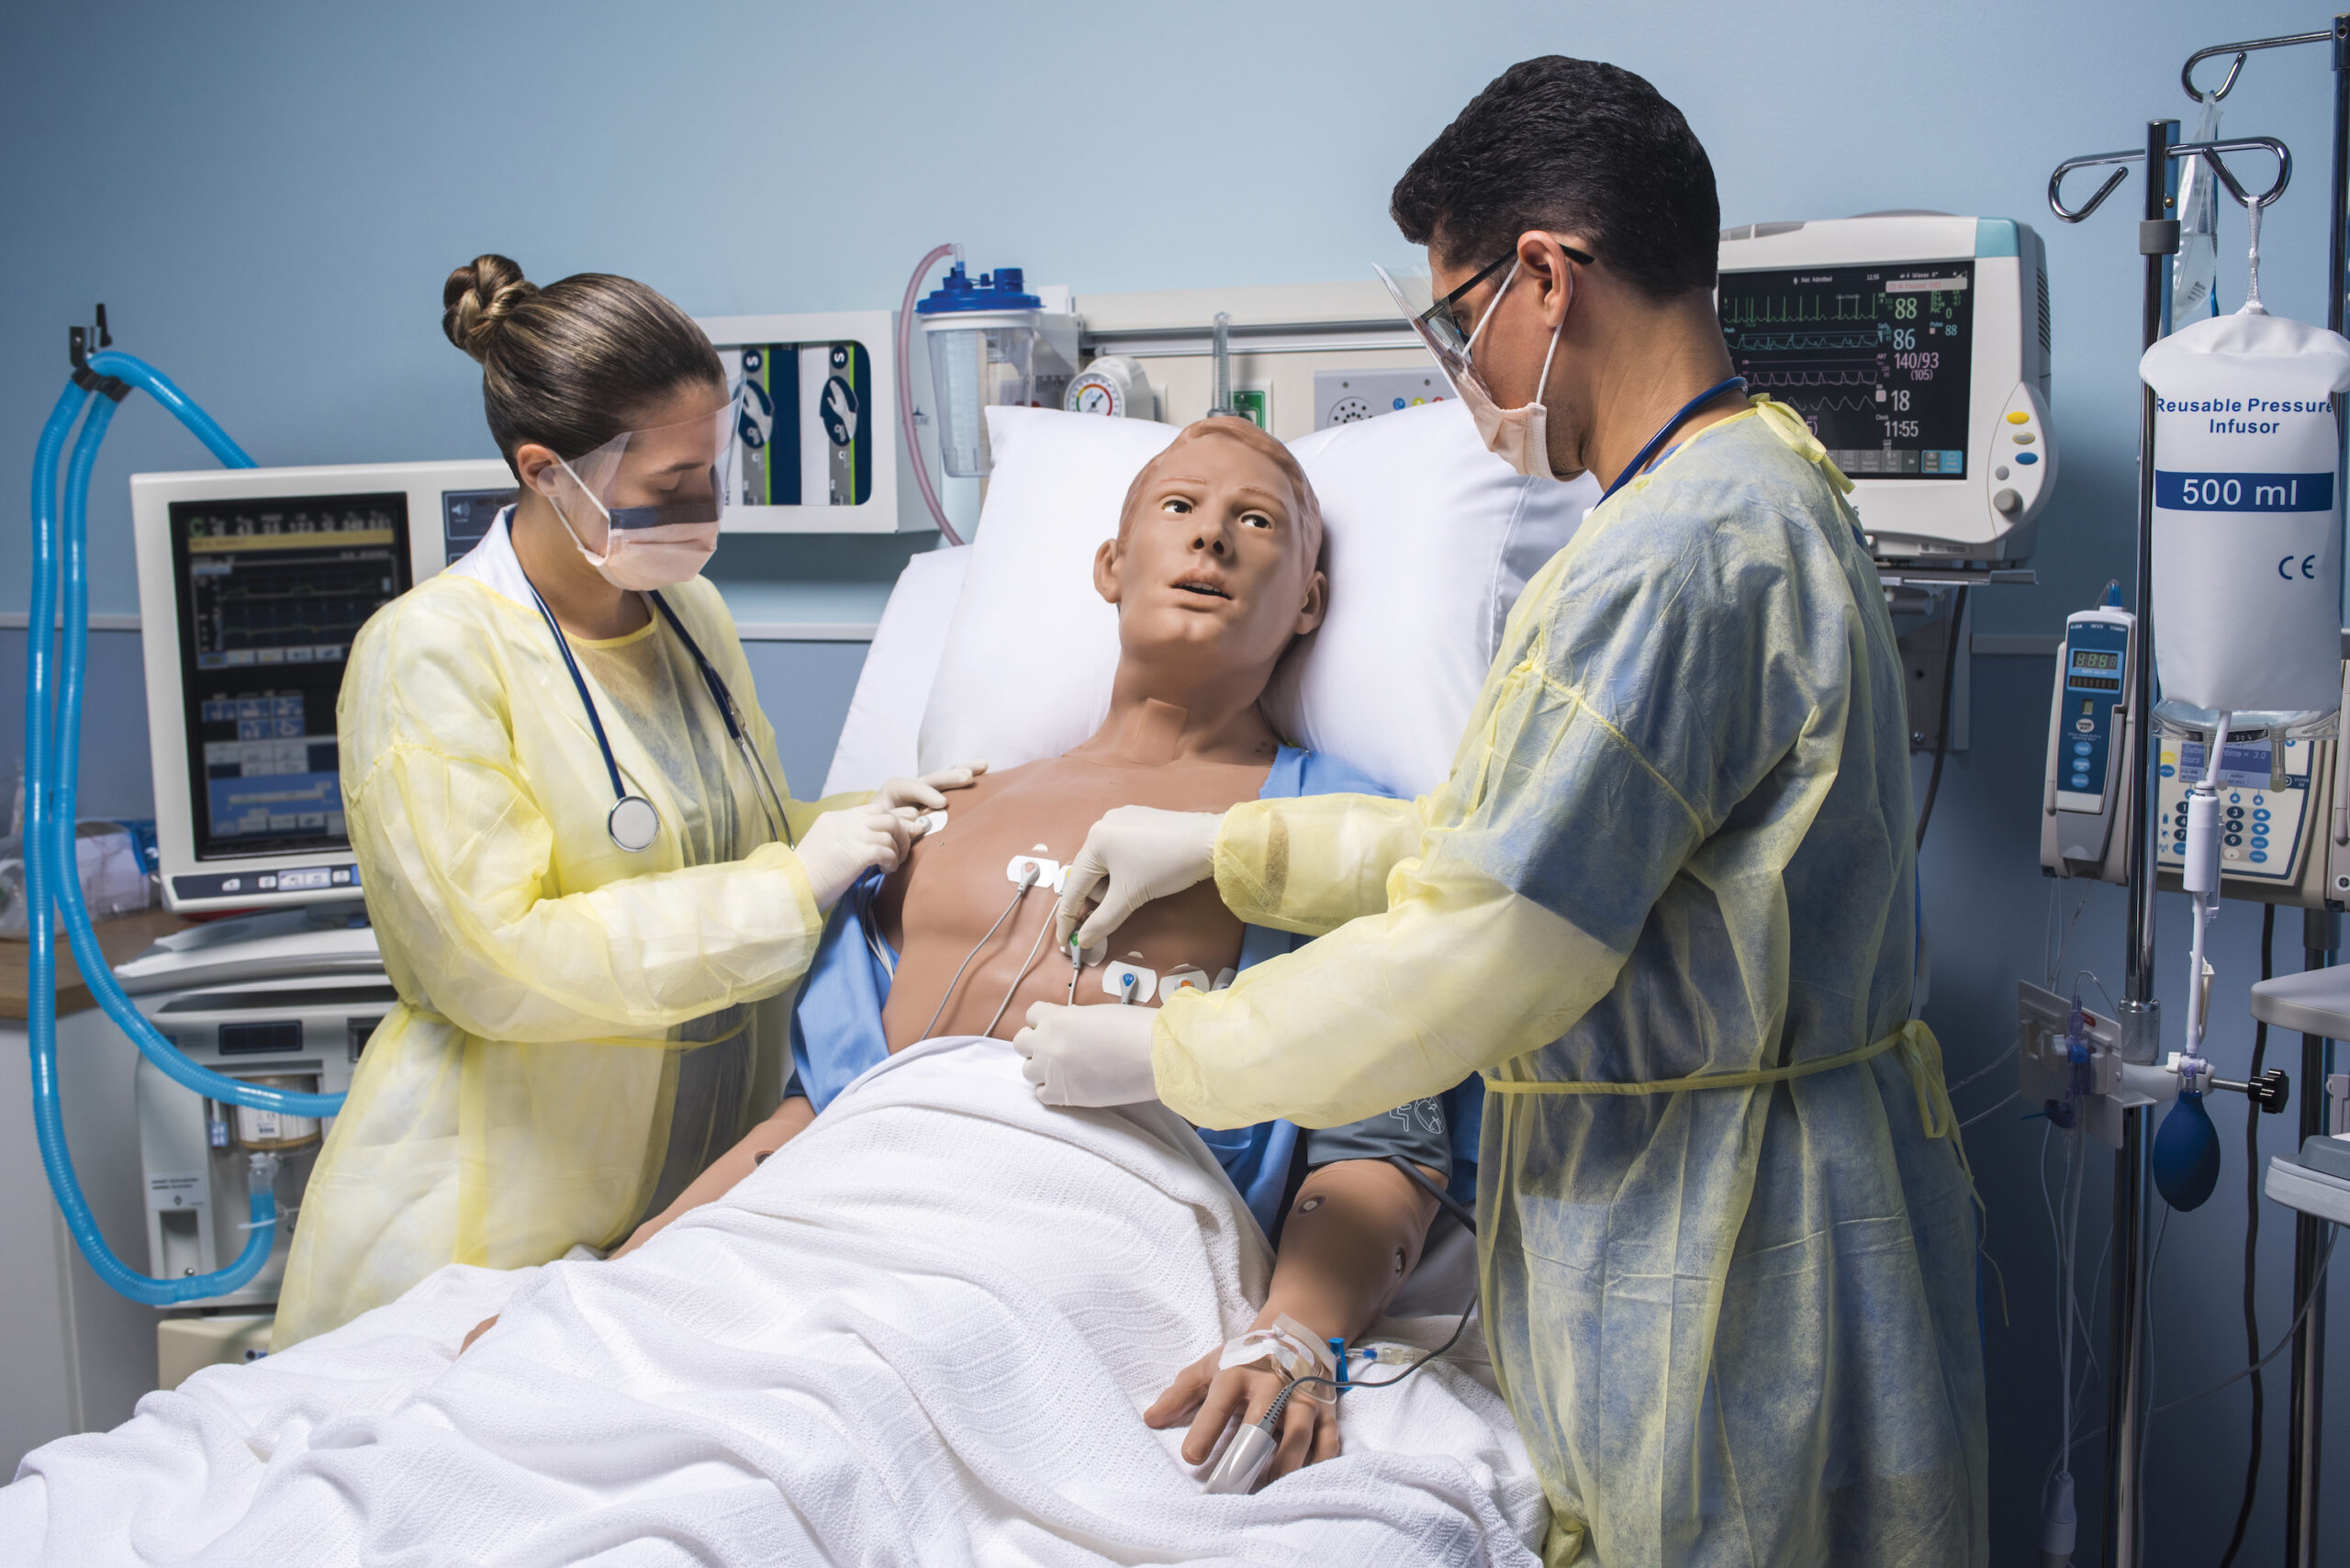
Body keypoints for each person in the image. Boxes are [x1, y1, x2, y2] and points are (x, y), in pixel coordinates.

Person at [1016, 58, 1988, 1567]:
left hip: (1718, 1252)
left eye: (1451, 317)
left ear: (1542, 275)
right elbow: (1533, 837)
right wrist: (1230, 844)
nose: (1455, 368)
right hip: (1757, 1206)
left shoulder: (1674, 561)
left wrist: (1167, 1048)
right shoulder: (1758, 483)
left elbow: (1488, 945)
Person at [562, 417, 1476, 1484]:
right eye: (1177, 508)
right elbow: (817, 1112)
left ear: (1309, 600)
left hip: (1096, 1240)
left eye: (1257, 521)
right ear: (1109, 564)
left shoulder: (1332, 835)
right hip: (835, 1226)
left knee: (819, 1460)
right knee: (593, 1415)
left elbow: (1380, 1145)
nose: (1211, 539)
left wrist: (1295, 1331)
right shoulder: (941, 812)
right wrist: (631, 1265)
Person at [274, 256, 979, 1346]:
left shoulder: (686, 610)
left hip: (685, 1212)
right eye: (669, 486)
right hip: (486, 1227)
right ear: (548, 471)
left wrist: (865, 818)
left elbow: (724, 838)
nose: (704, 509)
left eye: (712, 472)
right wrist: (799, 879)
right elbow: (496, 962)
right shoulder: (429, 654)